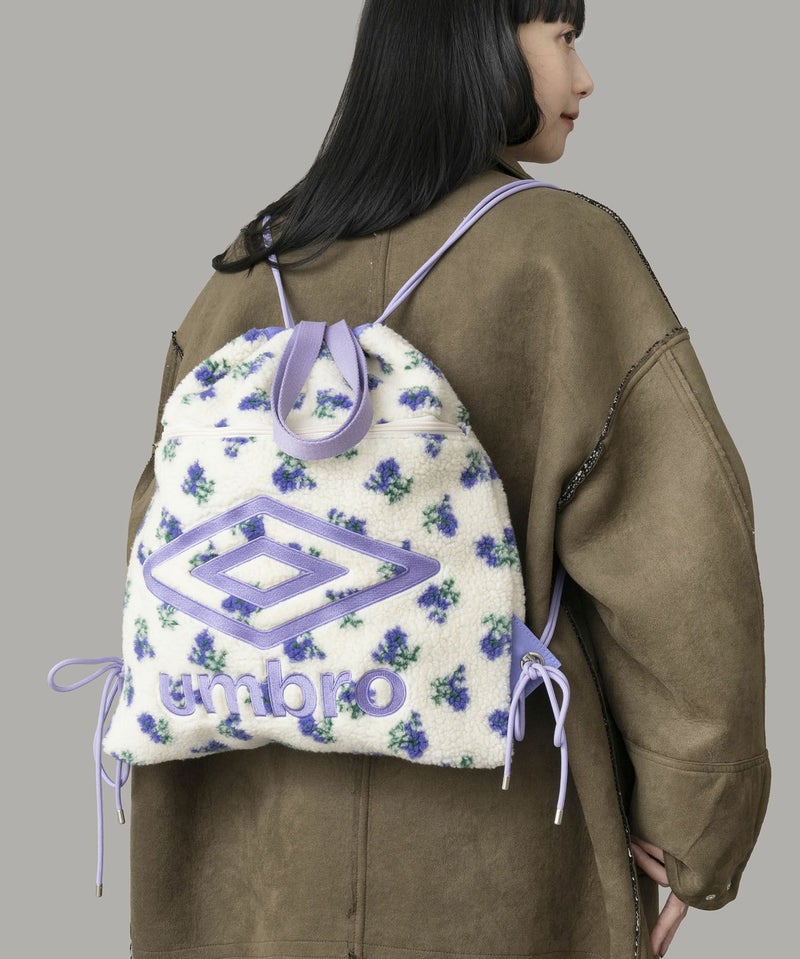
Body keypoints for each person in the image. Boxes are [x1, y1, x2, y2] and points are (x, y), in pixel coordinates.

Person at [125, 2, 770, 958]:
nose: (583, 77)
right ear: (477, 39)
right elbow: (684, 567)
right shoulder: (565, 257)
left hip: (255, 867)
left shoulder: (245, 270)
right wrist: (696, 826)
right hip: (505, 863)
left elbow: (158, 555)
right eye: (562, 36)